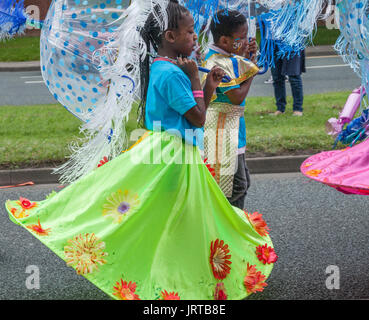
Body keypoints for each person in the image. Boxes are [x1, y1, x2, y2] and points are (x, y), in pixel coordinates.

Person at [5, 0, 276, 300]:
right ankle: (170, 268)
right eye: (189, 34)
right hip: (174, 156)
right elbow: (199, 118)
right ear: (170, 38)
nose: (195, 40)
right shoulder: (173, 75)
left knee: (165, 213)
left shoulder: (162, 67)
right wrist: (196, 79)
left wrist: (208, 84)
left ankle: (169, 263)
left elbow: (195, 109)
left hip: (167, 148)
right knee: (183, 215)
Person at [201, 9, 259, 209]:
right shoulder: (217, 62)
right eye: (241, 38)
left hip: (231, 133)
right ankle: (229, 234)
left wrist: (246, 57)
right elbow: (236, 97)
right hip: (223, 137)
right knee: (233, 190)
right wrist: (252, 67)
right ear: (224, 41)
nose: (245, 41)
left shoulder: (227, 57)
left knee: (241, 183)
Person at [271, 47, 305, 116]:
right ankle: (280, 108)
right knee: (277, 77)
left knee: (294, 77)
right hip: (274, 42)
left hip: (291, 43)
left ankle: (297, 109)